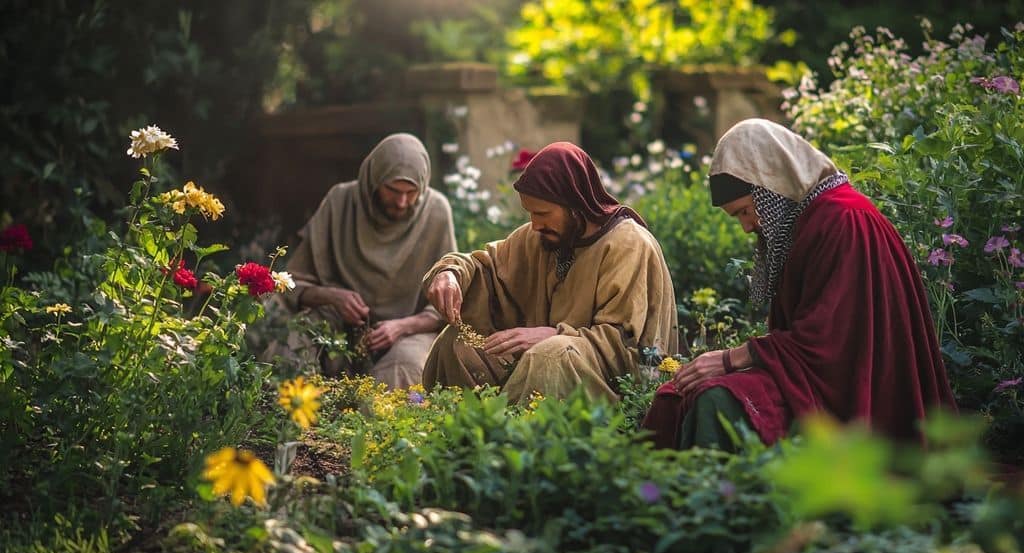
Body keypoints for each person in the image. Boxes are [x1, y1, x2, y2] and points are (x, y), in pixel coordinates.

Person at [642, 119, 957, 450]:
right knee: (675, 397)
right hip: (819, 374)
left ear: (773, 188)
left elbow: (829, 342)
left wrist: (730, 358)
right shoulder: (812, 221)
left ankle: (730, 499)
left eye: (745, 211)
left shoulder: (843, 221)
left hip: (852, 391)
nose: (747, 227)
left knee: (717, 399)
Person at [422, 141, 678, 404]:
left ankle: (514, 439)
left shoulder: (628, 244)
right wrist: (450, 273)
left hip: (609, 378)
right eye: (530, 213)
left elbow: (624, 344)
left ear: (575, 205)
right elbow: (486, 268)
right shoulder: (541, 237)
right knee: (458, 344)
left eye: (543, 213)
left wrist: (555, 335)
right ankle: (461, 435)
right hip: (547, 357)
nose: (535, 224)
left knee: (548, 356)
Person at [276, 133, 456, 389]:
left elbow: (444, 306)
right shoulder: (341, 202)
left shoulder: (436, 211)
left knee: (401, 371)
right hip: (337, 325)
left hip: (410, 331)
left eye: (411, 192)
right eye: (393, 190)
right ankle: (285, 424)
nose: (402, 202)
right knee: (291, 350)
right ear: (373, 181)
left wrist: (402, 327)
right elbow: (292, 285)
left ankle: (371, 427)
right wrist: (333, 297)